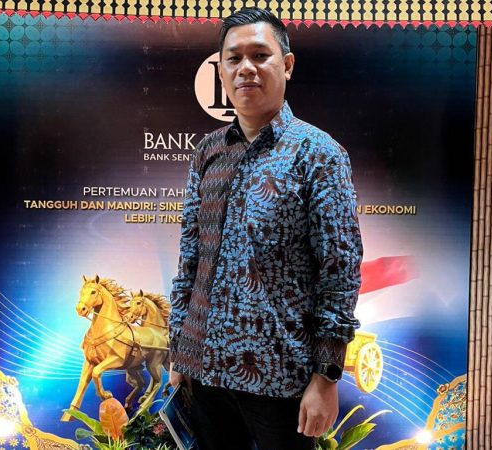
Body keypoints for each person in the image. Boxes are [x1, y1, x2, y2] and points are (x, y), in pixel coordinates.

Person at [168, 7, 362, 450]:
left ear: (287, 65)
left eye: (260, 55)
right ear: (221, 70)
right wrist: (179, 351)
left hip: (282, 381)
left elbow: (340, 272)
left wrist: (326, 377)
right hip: (205, 376)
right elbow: (190, 262)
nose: (246, 69)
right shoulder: (208, 153)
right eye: (234, 58)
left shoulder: (318, 154)